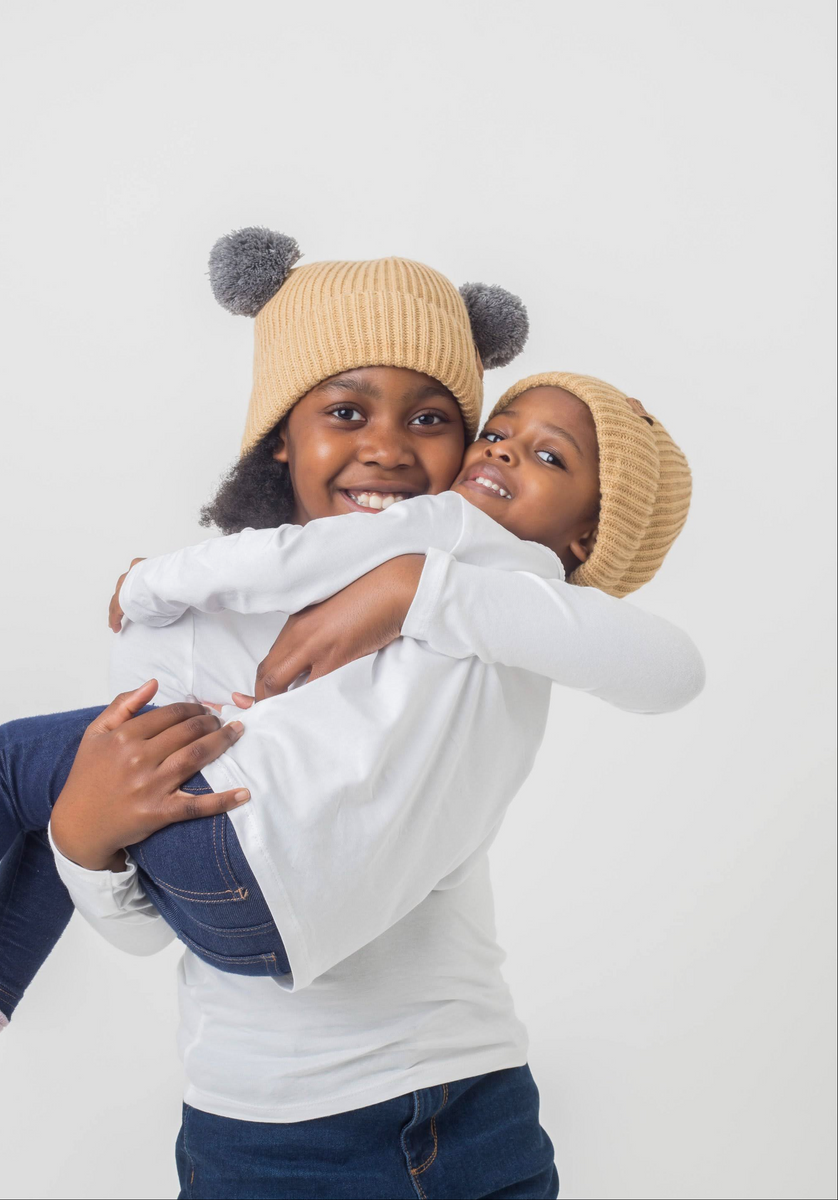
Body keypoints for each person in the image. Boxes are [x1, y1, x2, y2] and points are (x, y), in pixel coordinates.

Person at [0, 230, 703, 1199]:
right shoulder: (210, 623)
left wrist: (418, 588)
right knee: (46, 788)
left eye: (433, 418)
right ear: (280, 434)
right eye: (343, 411)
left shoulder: (487, 586)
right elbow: (147, 931)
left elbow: (671, 670)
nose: (386, 446)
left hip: (462, 1098)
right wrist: (84, 844)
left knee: (12, 768)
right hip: (253, 1129)